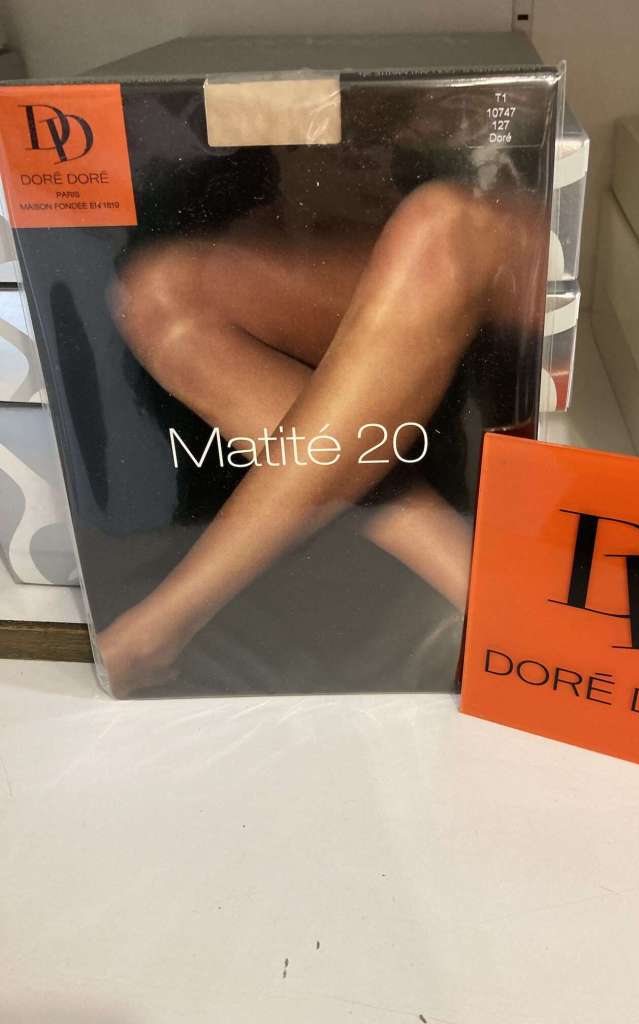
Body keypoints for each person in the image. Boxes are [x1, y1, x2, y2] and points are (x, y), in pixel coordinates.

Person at [97, 148, 548, 696]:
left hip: (519, 224)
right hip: (395, 209)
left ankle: (166, 620)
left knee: (446, 221)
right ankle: (475, 578)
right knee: (159, 291)